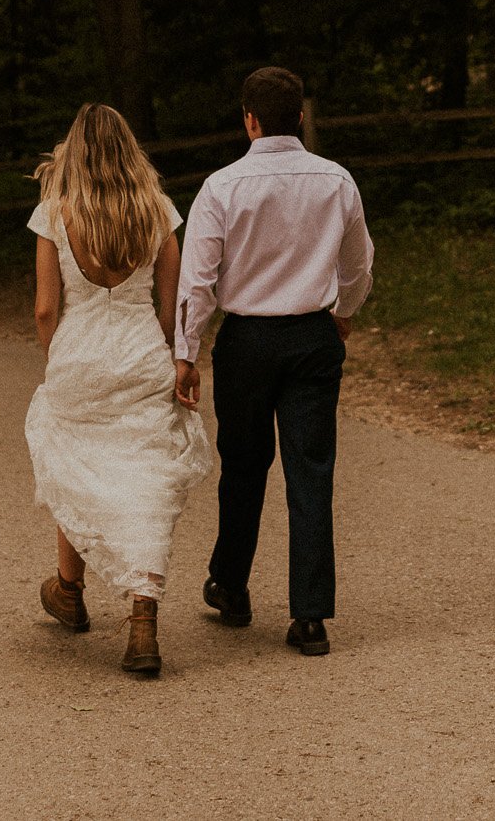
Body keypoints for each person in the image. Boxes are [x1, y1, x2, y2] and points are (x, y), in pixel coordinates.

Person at [174, 66, 374, 656]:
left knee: (243, 464)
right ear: (302, 117)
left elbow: (199, 280)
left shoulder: (222, 187)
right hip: (313, 338)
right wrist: (343, 310)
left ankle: (232, 587)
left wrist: (188, 353)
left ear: (249, 120)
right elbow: (359, 262)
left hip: (248, 343)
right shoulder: (337, 181)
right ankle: (310, 618)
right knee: (310, 470)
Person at [26, 103, 214, 677]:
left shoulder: (54, 215)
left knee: (76, 465)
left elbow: (44, 308)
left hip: (79, 353)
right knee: (145, 474)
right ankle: (142, 622)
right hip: (139, 351)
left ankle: (69, 591)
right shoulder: (156, 211)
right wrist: (174, 357)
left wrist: (59, 351)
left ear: (74, 154)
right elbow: (174, 301)